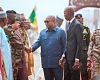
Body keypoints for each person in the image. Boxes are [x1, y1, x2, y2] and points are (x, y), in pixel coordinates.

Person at [32, 15, 66, 80]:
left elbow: (65, 46)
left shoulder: (61, 32)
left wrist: (63, 57)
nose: (46, 23)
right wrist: (31, 48)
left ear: (53, 22)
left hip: (57, 62)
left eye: (47, 22)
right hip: (46, 62)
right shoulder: (42, 32)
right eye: (45, 22)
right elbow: (38, 42)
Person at [62, 6, 83, 80]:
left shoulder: (77, 25)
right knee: (66, 77)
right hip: (67, 57)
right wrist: (64, 54)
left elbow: (79, 43)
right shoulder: (68, 24)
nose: (63, 15)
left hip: (74, 58)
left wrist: (77, 59)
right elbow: (68, 41)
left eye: (64, 13)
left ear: (69, 13)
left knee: (74, 77)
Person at [75, 13, 90, 80]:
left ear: (82, 19)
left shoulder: (86, 29)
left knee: (84, 70)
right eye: (76, 19)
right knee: (75, 70)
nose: (78, 20)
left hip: (83, 52)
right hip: (74, 52)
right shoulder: (72, 29)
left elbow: (88, 42)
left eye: (79, 18)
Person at [0, 11, 12, 80]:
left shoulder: (2, 30)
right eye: (5, 19)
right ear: (3, 19)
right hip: (2, 60)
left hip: (6, 59)